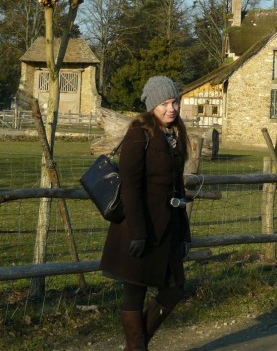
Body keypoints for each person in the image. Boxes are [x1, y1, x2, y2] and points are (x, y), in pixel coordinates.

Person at [100, 76, 191, 350]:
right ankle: (137, 347)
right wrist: (138, 234)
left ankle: (136, 346)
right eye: (164, 103)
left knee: (174, 289)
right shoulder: (138, 134)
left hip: (168, 228)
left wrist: (184, 234)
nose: (171, 108)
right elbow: (130, 187)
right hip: (138, 227)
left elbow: (178, 189)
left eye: (174, 101)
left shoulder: (176, 134)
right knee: (134, 290)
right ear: (152, 105)